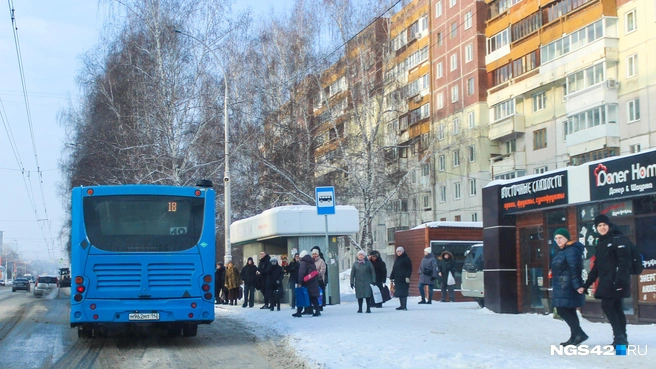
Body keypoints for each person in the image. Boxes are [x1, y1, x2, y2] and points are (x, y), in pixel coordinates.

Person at [579, 214, 631, 345]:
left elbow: (624, 263)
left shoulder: (618, 239)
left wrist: (619, 281)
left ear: (609, 225)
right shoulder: (601, 242)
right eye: (599, 226)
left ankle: (619, 336)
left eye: (604, 225)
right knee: (616, 307)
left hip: (616, 281)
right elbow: (597, 266)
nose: (602, 228)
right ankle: (621, 337)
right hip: (607, 280)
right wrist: (587, 284)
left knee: (607, 306)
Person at [551, 228, 587, 346]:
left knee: (562, 310)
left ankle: (579, 334)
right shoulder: (562, 251)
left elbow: (575, 269)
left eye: (560, 238)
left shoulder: (571, 250)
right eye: (556, 238)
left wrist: (577, 285)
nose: (558, 240)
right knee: (570, 311)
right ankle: (574, 337)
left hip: (567, 286)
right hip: (562, 285)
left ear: (567, 238)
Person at [292, 250, 322, 317]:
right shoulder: (311, 261)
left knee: (301, 296)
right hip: (313, 281)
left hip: (306, 282)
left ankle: (299, 312)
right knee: (313, 297)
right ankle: (317, 311)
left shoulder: (303, 262)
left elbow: (301, 273)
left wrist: (300, 282)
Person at [390, 246, 412, 311]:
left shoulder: (406, 258)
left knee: (404, 292)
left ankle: (404, 306)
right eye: (398, 251)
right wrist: (392, 276)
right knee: (399, 292)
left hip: (404, 278)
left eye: (400, 251)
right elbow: (394, 268)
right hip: (397, 278)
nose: (399, 253)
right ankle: (401, 305)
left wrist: (407, 276)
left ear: (402, 252)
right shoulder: (397, 259)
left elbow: (409, 268)